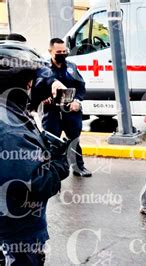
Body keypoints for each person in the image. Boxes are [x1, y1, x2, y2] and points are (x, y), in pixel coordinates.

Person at [0, 46, 70, 266]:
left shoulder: (11, 112)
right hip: (17, 232)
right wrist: (59, 162)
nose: (33, 85)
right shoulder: (9, 127)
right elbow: (33, 184)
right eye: (29, 80)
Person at [42, 38, 91, 177]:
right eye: (59, 52)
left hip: (71, 110)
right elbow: (35, 88)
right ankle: (53, 171)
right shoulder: (43, 69)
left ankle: (78, 167)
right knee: (51, 142)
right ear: (50, 51)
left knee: (74, 140)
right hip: (51, 112)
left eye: (65, 51)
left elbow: (81, 87)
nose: (62, 54)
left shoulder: (72, 67)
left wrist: (77, 101)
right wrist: (42, 98)